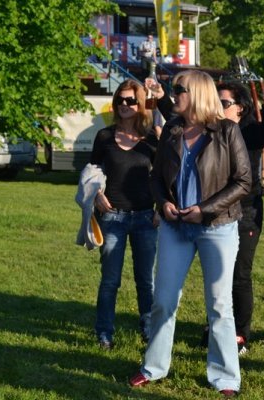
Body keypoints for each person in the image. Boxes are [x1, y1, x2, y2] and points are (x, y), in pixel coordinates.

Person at [129, 70, 252, 397]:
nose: (173, 94)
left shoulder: (227, 130)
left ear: (197, 93)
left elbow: (243, 182)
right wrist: (164, 204)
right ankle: (153, 367)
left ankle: (226, 377)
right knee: (164, 300)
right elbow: (156, 177)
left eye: (179, 89)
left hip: (217, 227)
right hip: (175, 226)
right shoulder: (172, 128)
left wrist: (204, 209)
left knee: (219, 305)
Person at [198, 80, 264, 355]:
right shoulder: (210, 130)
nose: (217, 107)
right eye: (215, 101)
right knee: (216, 274)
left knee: (239, 275)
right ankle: (215, 327)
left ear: (240, 108)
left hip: (246, 213)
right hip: (216, 212)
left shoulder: (250, 132)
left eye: (223, 103)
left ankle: (239, 334)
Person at [90, 79, 159, 349]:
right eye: (120, 100)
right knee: (110, 281)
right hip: (112, 217)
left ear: (140, 104)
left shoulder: (151, 138)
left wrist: (160, 208)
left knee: (146, 280)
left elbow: (164, 176)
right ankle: (104, 333)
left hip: (145, 217)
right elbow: (91, 172)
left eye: (131, 100)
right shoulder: (104, 136)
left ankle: (149, 329)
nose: (124, 105)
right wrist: (96, 194)